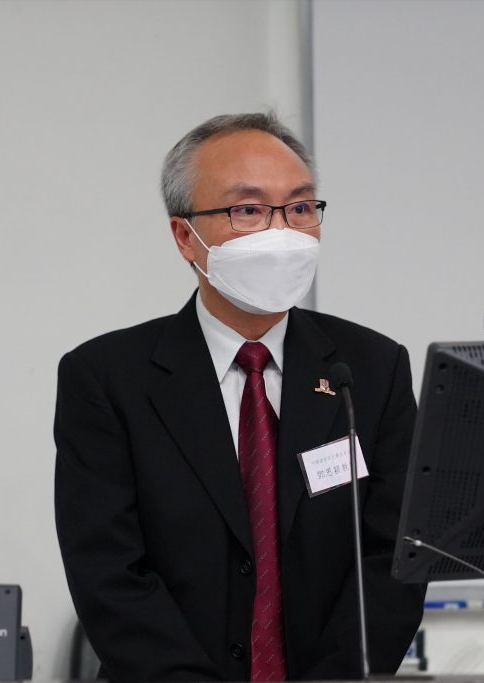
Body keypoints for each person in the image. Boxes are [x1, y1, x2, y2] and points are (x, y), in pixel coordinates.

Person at [54, 112, 425, 682]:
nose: (282, 231)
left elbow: (392, 559)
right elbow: (109, 573)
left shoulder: (372, 370)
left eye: (300, 207)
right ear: (185, 237)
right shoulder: (107, 379)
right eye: (248, 209)